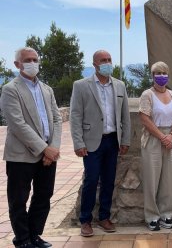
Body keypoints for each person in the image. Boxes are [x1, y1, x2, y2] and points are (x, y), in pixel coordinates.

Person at [0, 47, 62, 248]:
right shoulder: (10, 89)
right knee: (18, 200)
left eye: (35, 59)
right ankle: (23, 240)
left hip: (47, 155)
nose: (32, 63)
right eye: (28, 59)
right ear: (17, 64)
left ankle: (35, 235)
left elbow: (57, 119)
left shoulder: (47, 89)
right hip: (21, 156)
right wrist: (45, 149)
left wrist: (52, 148)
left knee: (43, 196)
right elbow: (17, 124)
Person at [70, 50, 131, 237]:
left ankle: (104, 217)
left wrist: (126, 140)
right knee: (91, 180)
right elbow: (75, 115)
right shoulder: (81, 86)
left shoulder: (120, 86)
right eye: (103, 60)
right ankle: (85, 220)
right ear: (95, 64)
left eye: (109, 60)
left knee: (108, 181)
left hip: (113, 140)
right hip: (91, 142)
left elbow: (125, 116)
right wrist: (78, 143)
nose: (107, 63)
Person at [139, 61, 172, 231]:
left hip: (171, 139)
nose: (161, 76)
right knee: (152, 179)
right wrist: (161, 137)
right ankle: (151, 216)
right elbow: (144, 118)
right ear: (152, 76)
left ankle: (167, 214)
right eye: (158, 73)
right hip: (153, 139)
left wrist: (171, 136)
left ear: (168, 75)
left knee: (169, 179)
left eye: (164, 73)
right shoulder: (147, 95)